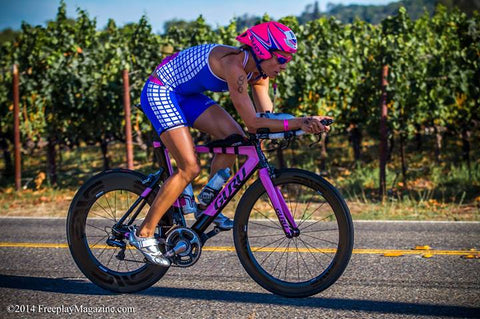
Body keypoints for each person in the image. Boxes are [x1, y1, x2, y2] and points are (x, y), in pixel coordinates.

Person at [129, 21, 331, 266]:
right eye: (282, 59)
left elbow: (266, 120)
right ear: (263, 52)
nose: (285, 66)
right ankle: (144, 233)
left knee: (235, 140)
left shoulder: (260, 74)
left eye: (288, 60)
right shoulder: (233, 66)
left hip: (186, 95)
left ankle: (207, 203)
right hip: (161, 90)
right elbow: (253, 122)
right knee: (189, 167)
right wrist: (300, 122)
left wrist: (302, 125)